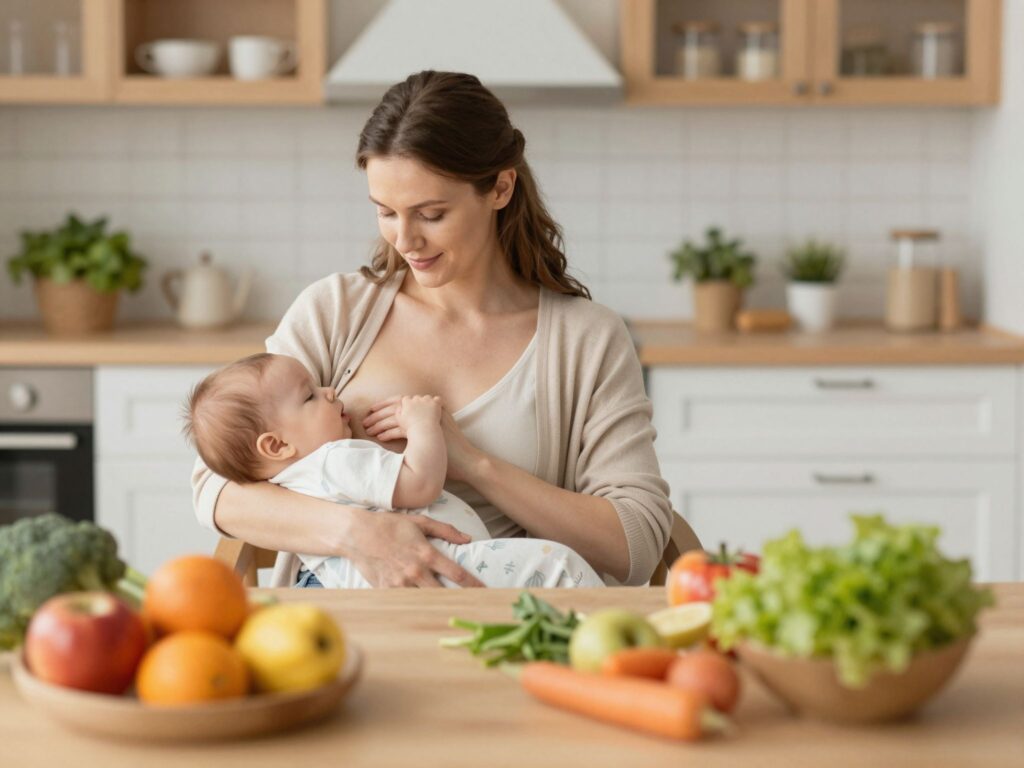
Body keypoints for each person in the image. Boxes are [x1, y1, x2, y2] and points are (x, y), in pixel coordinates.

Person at [191, 70, 699, 588]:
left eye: (431, 214)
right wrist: (357, 534)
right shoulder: (335, 311)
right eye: (386, 212)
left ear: (500, 187)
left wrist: (475, 464)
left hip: (504, 625)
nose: (405, 239)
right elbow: (216, 486)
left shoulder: (587, 340)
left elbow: (636, 544)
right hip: (342, 627)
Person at [184, 352, 605, 589]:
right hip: (440, 568)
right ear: (276, 445)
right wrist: (423, 425)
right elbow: (420, 483)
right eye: (310, 397)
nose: (330, 391)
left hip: (364, 589)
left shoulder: (290, 477)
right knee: (558, 566)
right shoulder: (335, 459)